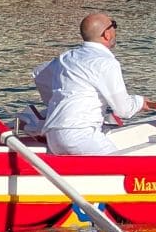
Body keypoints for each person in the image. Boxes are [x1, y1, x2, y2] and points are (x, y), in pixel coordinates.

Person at [33, 13, 148, 156]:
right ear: (106, 34)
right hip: (80, 135)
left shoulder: (67, 57)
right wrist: (140, 102)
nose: (115, 31)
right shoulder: (106, 62)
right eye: (114, 25)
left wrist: (52, 101)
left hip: (53, 135)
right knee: (121, 169)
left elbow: (38, 74)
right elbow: (123, 109)